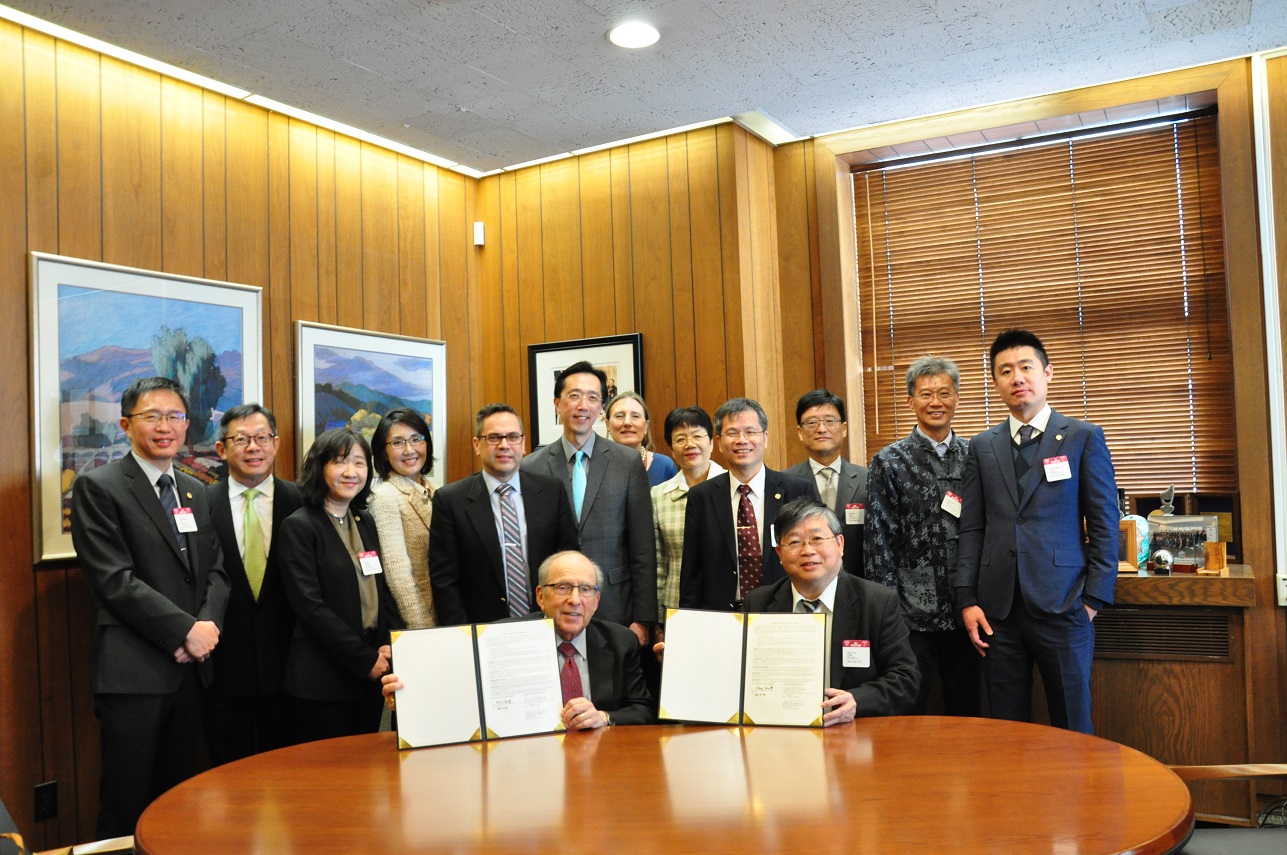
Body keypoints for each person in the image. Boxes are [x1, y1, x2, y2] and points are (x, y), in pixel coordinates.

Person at [69, 376, 229, 838]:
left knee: (177, 800)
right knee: (127, 800)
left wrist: (207, 627)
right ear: (125, 424)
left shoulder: (197, 489)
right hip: (134, 674)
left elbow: (216, 570)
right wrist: (185, 631)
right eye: (152, 416)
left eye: (175, 416)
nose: (166, 426)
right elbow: (114, 581)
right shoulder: (99, 487)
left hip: (190, 672)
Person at [956, 329, 1119, 734]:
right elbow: (973, 526)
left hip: (1064, 603)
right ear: (996, 382)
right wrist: (966, 598)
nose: (1018, 378)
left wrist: (1095, 596)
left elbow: (1103, 522)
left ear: (1048, 373)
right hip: (998, 610)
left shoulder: (1083, 437)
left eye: (1026, 367)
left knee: (1072, 721)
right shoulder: (983, 446)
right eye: (1005, 371)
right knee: (1007, 729)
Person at [384, 550, 654, 728]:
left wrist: (603, 717)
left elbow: (643, 710)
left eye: (585, 590)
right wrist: (411, 699)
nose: (575, 600)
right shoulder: (500, 639)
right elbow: (465, 699)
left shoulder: (621, 642)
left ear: (597, 601)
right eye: (562, 587)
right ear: (540, 596)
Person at [863, 357, 981, 716]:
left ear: (957, 398)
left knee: (967, 705)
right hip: (909, 612)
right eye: (926, 394)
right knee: (910, 705)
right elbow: (877, 540)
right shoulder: (889, 460)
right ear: (911, 401)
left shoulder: (977, 455)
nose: (936, 402)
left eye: (944, 393)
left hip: (968, 608)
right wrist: (886, 609)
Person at [278, 427, 403, 742]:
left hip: (370, 675)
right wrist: (365, 659)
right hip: (323, 681)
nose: (352, 472)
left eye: (360, 463)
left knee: (364, 776)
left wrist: (388, 647)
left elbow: (379, 590)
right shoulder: (299, 526)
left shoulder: (364, 520)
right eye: (340, 462)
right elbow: (310, 607)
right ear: (319, 468)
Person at [745, 498, 919, 722]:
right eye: (795, 542)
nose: (807, 550)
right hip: (781, 730)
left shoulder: (877, 602)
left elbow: (906, 679)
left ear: (840, 544)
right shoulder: (759, 603)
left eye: (817, 539)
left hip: (855, 733)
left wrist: (857, 700)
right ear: (779, 553)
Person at [521, 361, 656, 647]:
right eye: (574, 396)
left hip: (616, 606)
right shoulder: (531, 466)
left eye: (593, 397)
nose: (583, 405)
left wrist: (643, 618)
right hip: (555, 610)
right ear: (557, 403)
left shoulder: (627, 462)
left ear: (601, 408)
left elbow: (643, 547)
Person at [205, 403, 304, 764]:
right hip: (224, 668)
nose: (253, 448)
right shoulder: (201, 504)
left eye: (262, 438)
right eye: (241, 439)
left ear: (275, 444)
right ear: (221, 449)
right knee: (230, 775)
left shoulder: (303, 501)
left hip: (292, 665)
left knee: (291, 770)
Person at [430, 404, 579, 624]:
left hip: (547, 623)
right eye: (493, 438)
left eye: (512, 437)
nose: (504, 445)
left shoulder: (551, 492)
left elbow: (569, 558)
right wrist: (464, 634)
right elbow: (444, 581)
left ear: (523, 444)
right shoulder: (450, 500)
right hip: (482, 628)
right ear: (477, 445)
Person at [678, 397, 818, 611]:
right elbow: (692, 574)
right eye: (732, 433)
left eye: (750, 432)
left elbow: (813, 558)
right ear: (718, 441)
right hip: (722, 616)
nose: (741, 440)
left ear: (765, 437)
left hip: (784, 612)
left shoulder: (797, 490)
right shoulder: (702, 497)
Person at [651, 406, 724, 622]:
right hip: (676, 606)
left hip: (726, 605)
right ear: (671, 449)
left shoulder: (733, 488)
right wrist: (657, 621)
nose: (689, 444)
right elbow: (658, 563)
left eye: (697, 436)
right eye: (680, 438)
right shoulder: (658, 496)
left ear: (712, 442)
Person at [785, 389, 868, 577]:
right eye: (812, 423)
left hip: (858, 585)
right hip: (805, 583)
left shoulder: (868, 480)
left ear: (844, 428)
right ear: (799, 432)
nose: (821, 429)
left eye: (830, 421)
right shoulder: (786, 482)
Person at [367, 408, 437, 629]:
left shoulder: (436, 492)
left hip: (447, 617)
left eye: (416, 439)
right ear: (383, 451)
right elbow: (398, 575)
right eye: (397, 443)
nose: (409, 450)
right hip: (420, 622)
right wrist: (422, 630)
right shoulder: (385, 497)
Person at [605, 391, 679, 487]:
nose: (627, 422)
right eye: (619, 416)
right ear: (608, 424)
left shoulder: (664, 466)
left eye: (635, 416)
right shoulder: (595, 466)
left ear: (646, 426)